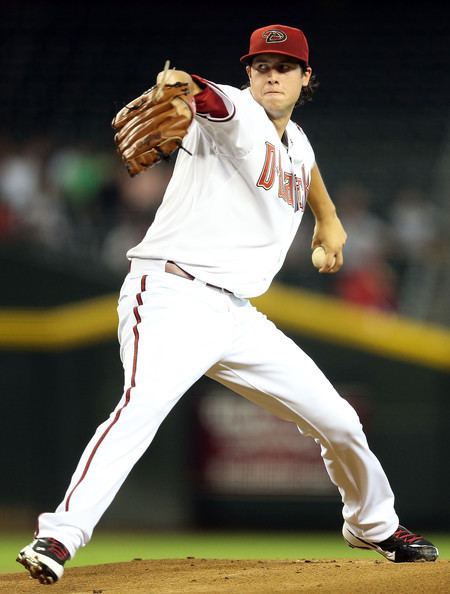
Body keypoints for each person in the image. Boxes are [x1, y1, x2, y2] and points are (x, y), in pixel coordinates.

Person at [17, 23, 438, 585]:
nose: (271, 74)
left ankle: (373, 524)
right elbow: (204, 95)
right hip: (169, 294)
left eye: (284, 67)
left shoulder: (300, 141)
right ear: (248, 72)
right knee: (140, 408)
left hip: (237, 315)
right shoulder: (235, 111)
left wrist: (329, 221)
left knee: (338, 420)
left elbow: (306, 171)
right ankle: (58, 537)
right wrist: (181, 81)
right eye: (261, 65)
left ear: (305, 78)